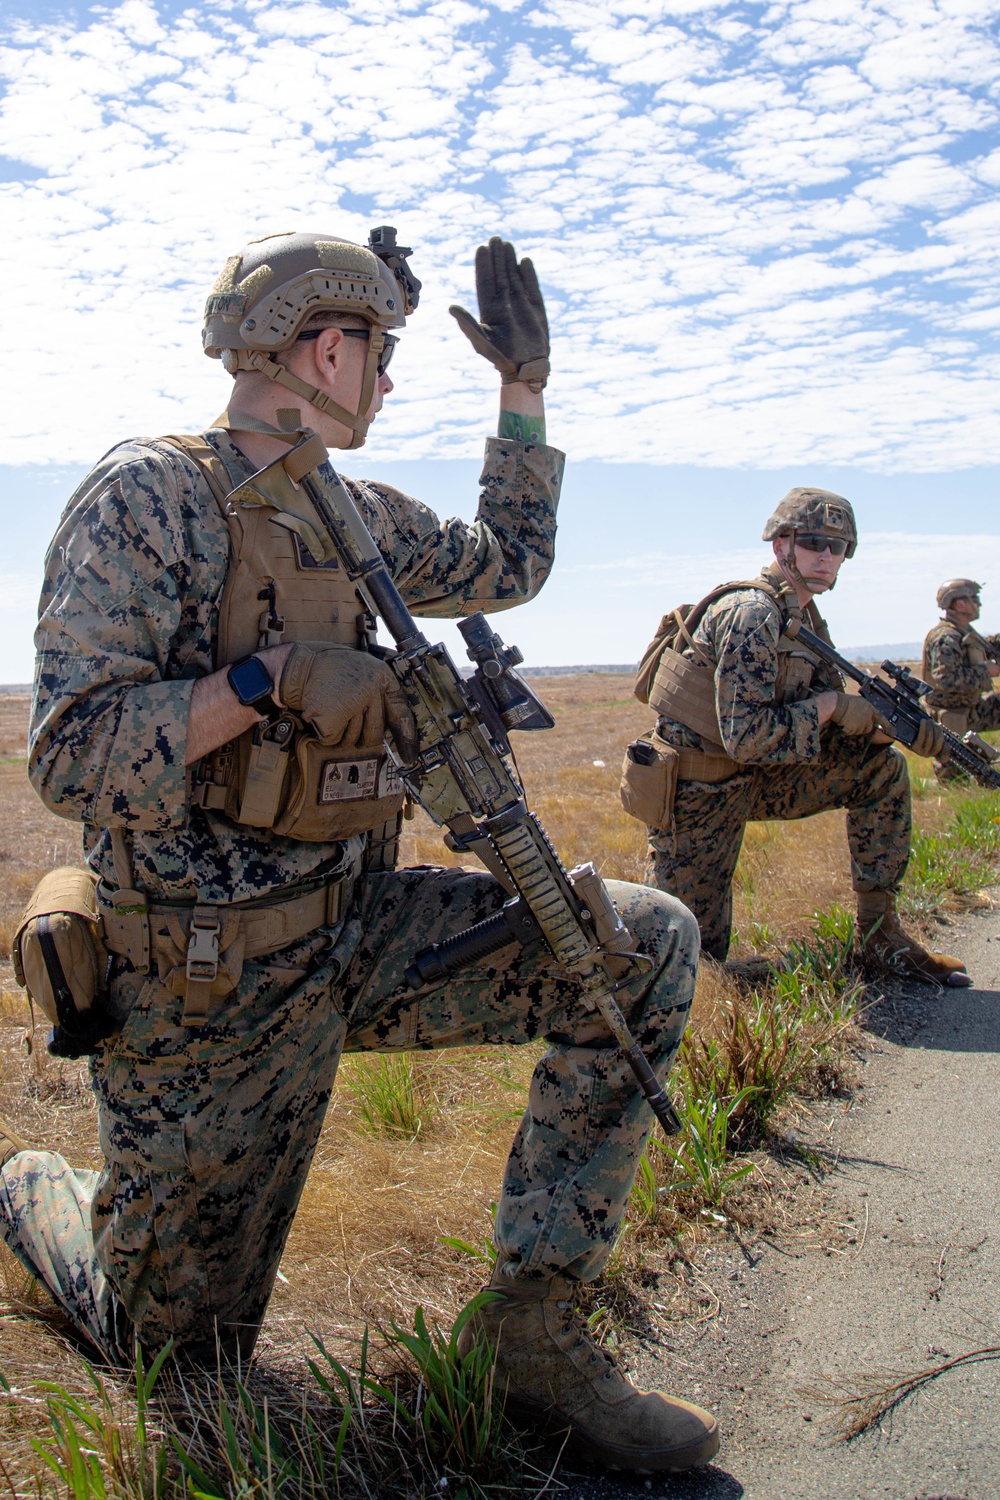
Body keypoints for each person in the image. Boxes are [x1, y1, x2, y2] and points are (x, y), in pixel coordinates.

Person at [0, 229, 719, 1474]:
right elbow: (69, 753)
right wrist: (265, 681)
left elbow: (511, 563)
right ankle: (39, 1193)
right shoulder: (146, 499)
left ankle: (534, 1333)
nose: (385, 385)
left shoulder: (357, 513)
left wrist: (524, 398)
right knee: (175, 1355)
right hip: (207, 984)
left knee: (638, 944)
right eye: (379, 356)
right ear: (326, 349)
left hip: (359, 929)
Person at [629, 488, 971, 986]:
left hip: (755, 778)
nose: (828, 557)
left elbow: (812, 718)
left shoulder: (803, 617)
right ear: (780, 544)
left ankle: (881, 937)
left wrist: (875, 731)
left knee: (881, 770)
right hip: (698, 793)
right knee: (686, 965)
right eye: (815, 542)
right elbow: (748, 737)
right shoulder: (752, 614)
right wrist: (832, 707)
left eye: (840, 547)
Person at [922, 579, 1000, 782]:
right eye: (975, 599)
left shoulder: (964, 633)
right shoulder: (946, 637)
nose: (979, 604)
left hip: (971, 708)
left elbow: (987, 647)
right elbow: (945, 679)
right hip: (952, 716)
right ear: (960, 604)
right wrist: (985, 671)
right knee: (955, 779)